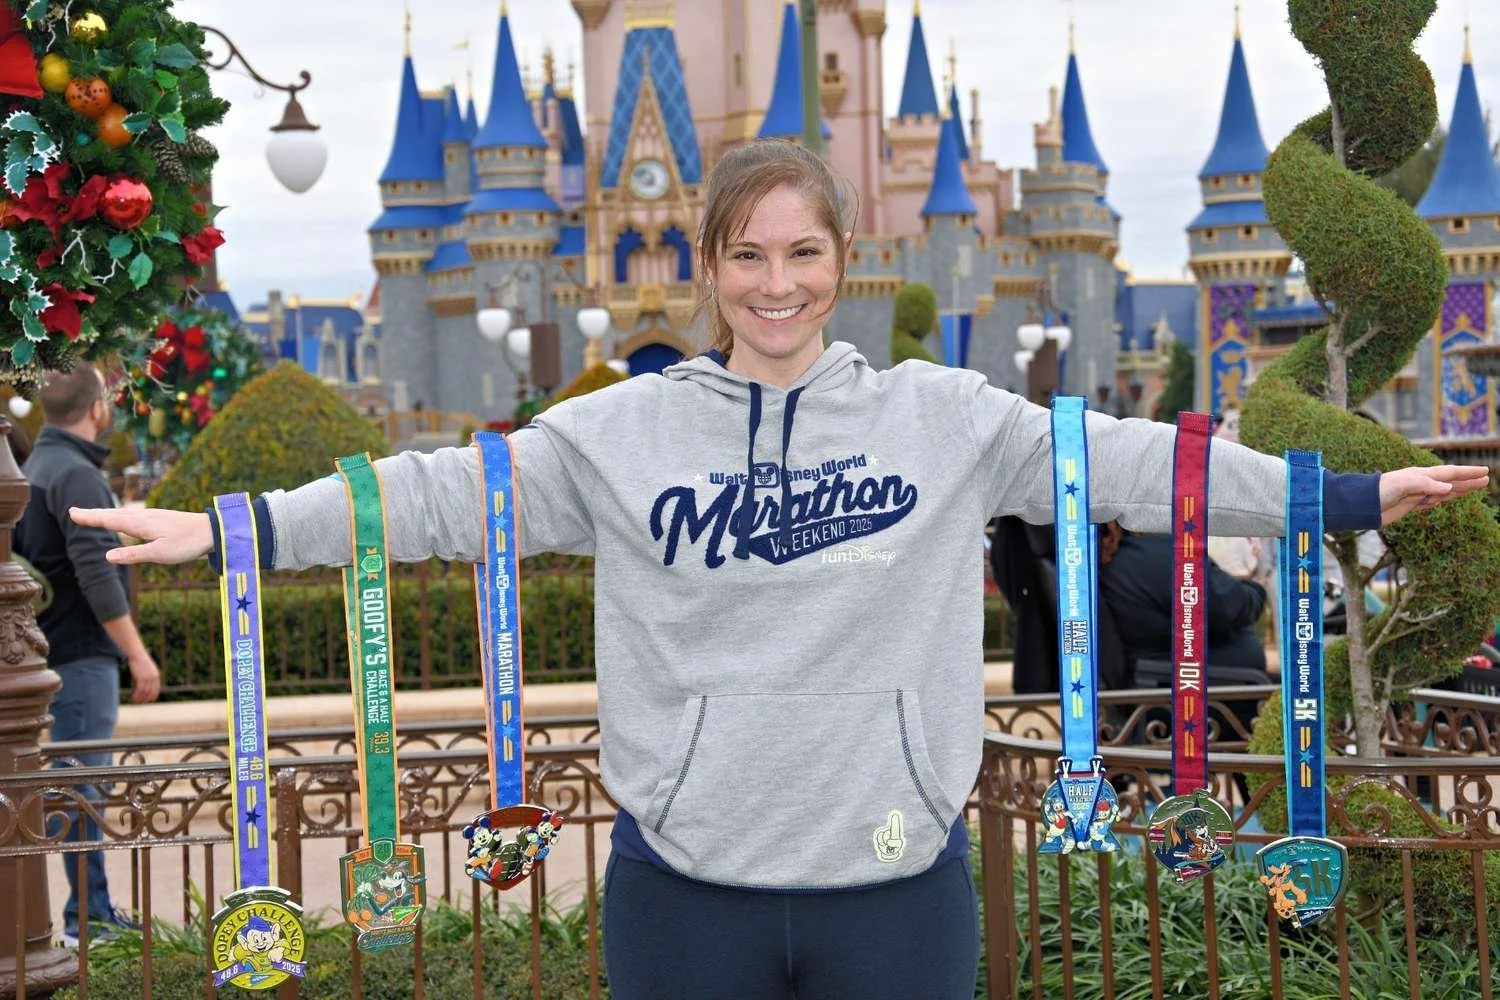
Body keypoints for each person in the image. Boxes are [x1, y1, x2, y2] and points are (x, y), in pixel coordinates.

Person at [70, 140, 1485, 999]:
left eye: (803, 252)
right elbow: (437, 496)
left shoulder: (943, 416)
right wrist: (233, 528)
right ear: (710, 268)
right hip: (686, 887)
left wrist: (1342, 491)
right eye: (747, 256)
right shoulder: (621, 432)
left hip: (899, 880)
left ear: (845, 259)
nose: (777, 283)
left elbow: (1136, 465)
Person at [17, 363, 160, 947]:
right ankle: (89, 919)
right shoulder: (75, 476)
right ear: (97, 406)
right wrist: (138, 656)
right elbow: (99, 578)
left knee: (71, 789)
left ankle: (88, 911)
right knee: (81, 789)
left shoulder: (36, 467)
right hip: (79, 657)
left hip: (51, 652)